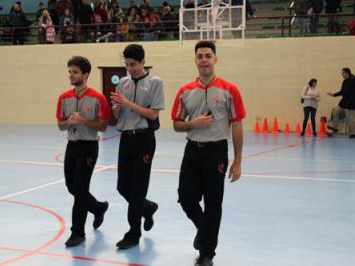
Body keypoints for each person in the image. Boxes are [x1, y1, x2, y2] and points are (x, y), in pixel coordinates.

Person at [171, 41, 246, 266]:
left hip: (216, 152)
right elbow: (176, 124)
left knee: (214, 203)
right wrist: (192, 123)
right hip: (192, 150)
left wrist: (238, 162)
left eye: (208, 56)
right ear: (195, 60)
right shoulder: (185, 91)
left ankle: (207, 254)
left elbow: (237, 125)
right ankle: (204, 232)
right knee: (185, 198)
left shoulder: (229, 90)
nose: (204, 60)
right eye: (200, 56)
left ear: (215, 59)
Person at [110, 44, 165, 249]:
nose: (130, 68)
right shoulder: (123, 82)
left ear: (143, 62)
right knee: (123, 186)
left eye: (133, 64)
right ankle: (148, 208)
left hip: (144, 138)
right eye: (127, 65)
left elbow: (153, 114)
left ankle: (133, 233)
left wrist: (127, 103)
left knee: (138, 188)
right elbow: (118, 115)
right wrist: (116, 107)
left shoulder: (154, 82)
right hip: (126, 138)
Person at [56, 56, 110, 247]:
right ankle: (98, 208)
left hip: (88, 147)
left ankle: (77, 232)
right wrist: (69, 122)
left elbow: (103, 126)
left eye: (75, 72)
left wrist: (84, 121)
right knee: (71, 187)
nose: (71, 75)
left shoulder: (98, 98)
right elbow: (61, 126)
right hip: (71, 146)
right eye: (70, 72)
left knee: (80, 190)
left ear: (85, 74)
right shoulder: (63, 98)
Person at [327, 68, 355, 138]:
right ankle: (335, 128)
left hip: (351, 102)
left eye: (343, 73)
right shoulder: (344, 81)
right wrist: (334, 94)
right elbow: (342, 91)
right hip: (344, 101)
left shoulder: (353, 80)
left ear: (347, 73)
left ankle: (353, 133)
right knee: (335, 111)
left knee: (350, 118)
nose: (342, 74)